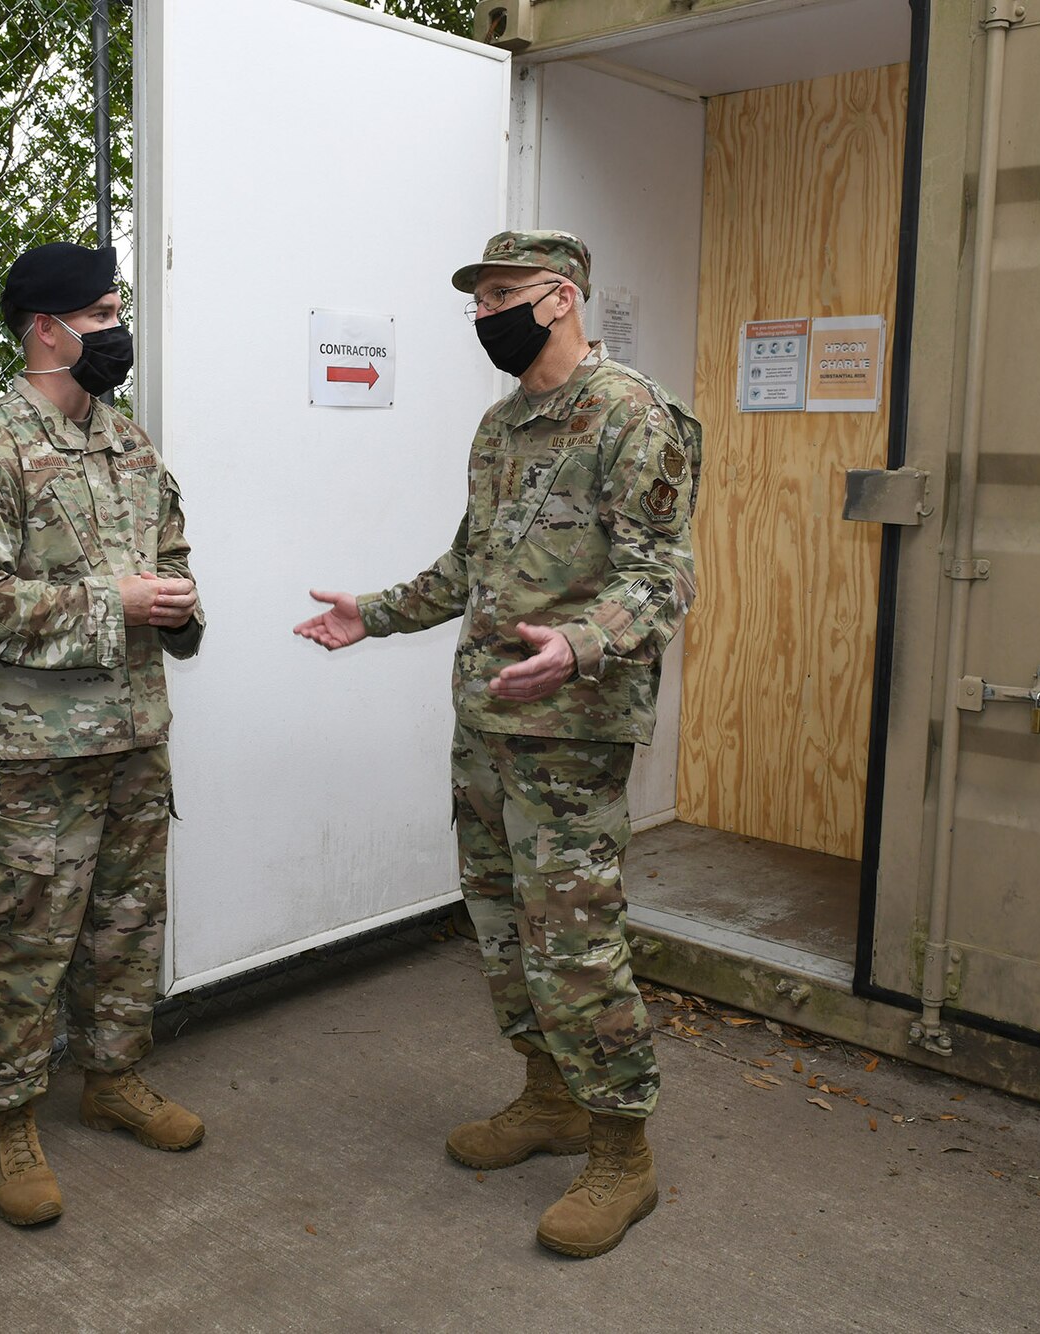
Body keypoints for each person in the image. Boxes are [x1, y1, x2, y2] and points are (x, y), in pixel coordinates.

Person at [293, 230, 701, 1260]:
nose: (485, 315)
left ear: (559, 298)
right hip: (484, 724)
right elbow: (466, 564)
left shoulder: (630, 416)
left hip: (570, 734)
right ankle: (547, 1094)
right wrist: (371, 613)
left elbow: (659, 579)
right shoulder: (500, 426)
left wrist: (577, 645)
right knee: (501, 923)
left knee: (574, 939)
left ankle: (621, 1151)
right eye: (476, 301)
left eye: (502, 296)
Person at [0, 241, 205, 1226]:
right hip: (27, 756)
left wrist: (174, 607)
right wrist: (108, 601)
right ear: (45, 329)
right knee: (20, 944)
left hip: (132, 733)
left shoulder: (130, 445)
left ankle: (114, 1075)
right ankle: (6, 1120)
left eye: (116, 307)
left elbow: (169, 558)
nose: (115, 328)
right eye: (99, 312)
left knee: (126, 927)